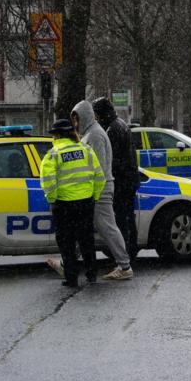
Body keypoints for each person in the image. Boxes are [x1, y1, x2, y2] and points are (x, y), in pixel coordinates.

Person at [73, 100, 133, 281]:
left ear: (84, 117)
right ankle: (68, 263)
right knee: (84, 227)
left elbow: (97, 166)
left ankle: (125, 266)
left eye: (77, 119)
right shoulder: (91, 133)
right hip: (96, 188)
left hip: (100, 189)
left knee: (107, 228)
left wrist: (91, 190)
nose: (75, 123)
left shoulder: (96, 135)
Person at [40, 119, 105, 287]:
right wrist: (94, 196)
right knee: (86, 239)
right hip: (85, 202)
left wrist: (52, 199)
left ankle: (71, 277)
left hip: (64, 204)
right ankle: (92, 274)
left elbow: (48, 181)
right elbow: (99, 177)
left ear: (58, 135)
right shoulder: (86, 150)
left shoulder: (53, 154)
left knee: (66, 242)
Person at [93, 96, 140, 260]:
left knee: (121, 219)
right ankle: (130, 251)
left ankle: (125, 253)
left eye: (97, 115)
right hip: (128, 179)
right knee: (127, 218)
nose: (96, 119)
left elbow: (112, 159)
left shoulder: (112, 129)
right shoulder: (121, 125)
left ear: (102, 114)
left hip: (121, 181)